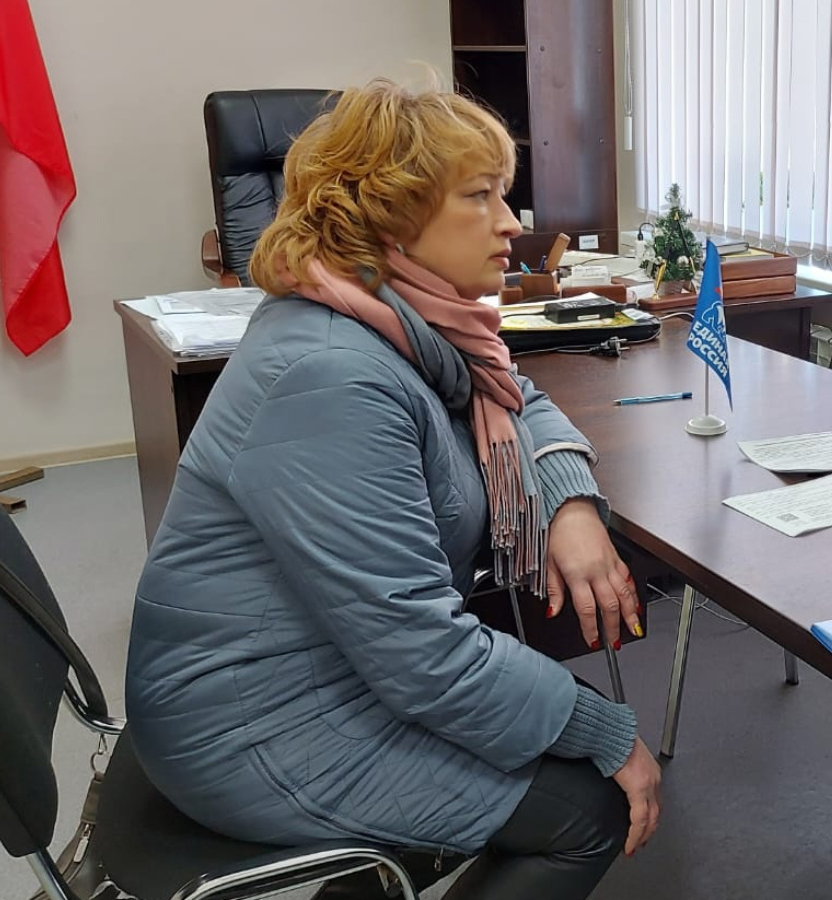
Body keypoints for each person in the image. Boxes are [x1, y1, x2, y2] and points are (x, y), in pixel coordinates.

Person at [125, 78, 660, 900]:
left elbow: (518, 397)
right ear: (392, 216)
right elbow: (421, 653)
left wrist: (570, 506)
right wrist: (611, 734)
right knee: (588, 806)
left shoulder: (402, 321)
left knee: (557, 731)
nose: (510, 222)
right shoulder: (330, 373)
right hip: (252, 723)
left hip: (334, 667)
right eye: (480, 196)